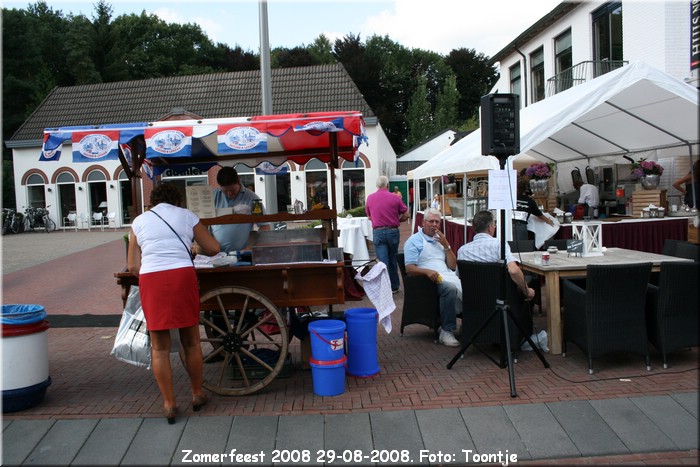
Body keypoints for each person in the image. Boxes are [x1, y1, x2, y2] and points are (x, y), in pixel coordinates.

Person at [128, 183, 220, 424]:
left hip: (152, 279)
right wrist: (196, 248)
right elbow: (214, 248)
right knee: (191, 341)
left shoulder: (138, 222)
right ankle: (197, 393)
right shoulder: (187, 215)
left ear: (153, 201)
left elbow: (133, 267)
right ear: (178, 201)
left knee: (159, 347)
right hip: (182, 275)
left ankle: (169, 404)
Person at [403, 207, 462, 347]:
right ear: (424, 222)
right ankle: (446, 331)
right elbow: (409, 268)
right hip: (428, 280)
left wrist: (447, 246)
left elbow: (453, 265)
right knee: (450, 288)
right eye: (431, 221)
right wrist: (427, 272)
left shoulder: (440, 240)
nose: (434, 225)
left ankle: (470, 324)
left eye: (437, 222)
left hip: (447, 274)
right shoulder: (414, 241)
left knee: (472, 285)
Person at [457, 210, 535, 301]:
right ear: (490, 227)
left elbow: (459, 275)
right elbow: (513, 271)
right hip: (498, 300)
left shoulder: (462, 250)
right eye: (494, 225)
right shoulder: (499, 245)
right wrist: (526, 291)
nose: (494, 227)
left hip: (473, 301)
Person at [209, 166, 269, 253]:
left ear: (238, 182)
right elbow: (202, 224)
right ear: (220, 186)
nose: (229, 194)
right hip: (217, 254)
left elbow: (265, 225)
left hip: (243, 253)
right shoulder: (212, 196)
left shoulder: (252, 198)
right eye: (225, 191)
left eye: (233, 190)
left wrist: (252, 247)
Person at [365, 175, 409, 293]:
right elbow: (406, 214)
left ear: (377, 185)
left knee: (382, 261)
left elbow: (369, 216)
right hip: (393, 230)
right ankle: (394, 286)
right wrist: (397, 221)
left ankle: (384, 287)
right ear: (387, 185)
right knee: (392, 258)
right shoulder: (395, 198)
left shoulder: (370, 198)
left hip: (378, 231)